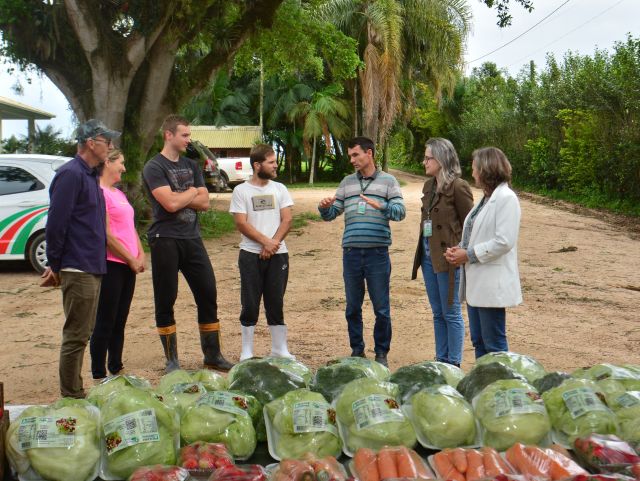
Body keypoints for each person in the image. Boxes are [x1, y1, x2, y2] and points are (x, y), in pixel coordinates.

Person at [142, 115, 233, 373]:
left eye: (189, 135)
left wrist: (185, 195)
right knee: (166, 298)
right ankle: (172, 360)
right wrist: (193, 192)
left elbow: (204, 203)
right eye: (184, 135)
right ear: (168, 135)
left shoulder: (192, 165)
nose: (188, 140)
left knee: (208, 292)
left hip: (192, 238)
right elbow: (169, 205)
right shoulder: (154, 167)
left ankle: (212, 355)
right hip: (164, 239)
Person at [41, 119, 120, 398]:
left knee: (83, 332)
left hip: (92, 265)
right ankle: (72, 396)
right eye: (106, 141)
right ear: (91, 143)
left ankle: (75, 391)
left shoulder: (90, 175)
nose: (111, 146)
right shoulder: (71, 174)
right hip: (78, 266)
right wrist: (55, 263)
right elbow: (56, 223)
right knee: (76, 335)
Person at [318, 136, 406, 367]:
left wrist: (383, 206)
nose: (352, 160)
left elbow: (400, 212)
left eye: (355, 155)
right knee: (352, 307)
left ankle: (381, 354)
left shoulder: (388, 181)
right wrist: (324, 207)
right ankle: (357, 351)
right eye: (350, 156)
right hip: (351, 253)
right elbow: (332, 214)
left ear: (369, 153)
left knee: (382, 308)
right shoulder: (347, 182)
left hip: (377, 253)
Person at [445, 147, 522, 358]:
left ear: (486, 169)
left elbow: (504, 241)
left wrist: (467, 254)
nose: (472, 173)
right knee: (479, 341)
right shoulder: (485, 199)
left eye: (475, 168)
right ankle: (482, 385)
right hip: (477, 283)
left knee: (494, 344)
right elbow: (475, 233)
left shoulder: (506, 198)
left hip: (491, 283)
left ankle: (498, 388)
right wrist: (460, 249)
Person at [411, 138, 473, 368]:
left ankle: (453, 364)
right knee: (438, 312)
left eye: (428, 158)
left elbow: (470, 224)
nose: (424, 161)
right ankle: (441, 360)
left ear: (442, 159)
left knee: (452, 312)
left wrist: (462, 251)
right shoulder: (428, 186)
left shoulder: (458, 187)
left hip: (448, 259)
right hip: (428, 257)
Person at [229, 144, 294, 360]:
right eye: (271, 162)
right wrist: (265, 242)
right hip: (250, 254)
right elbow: (241, 223)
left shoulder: (280, 189)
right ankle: (247, 350)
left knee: (275, 300)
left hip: (278, 254)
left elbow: (287, 219)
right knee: (250, 301)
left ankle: (279, 348)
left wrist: (273, 243)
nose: (276, 165)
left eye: (275, 161)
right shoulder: (241, 191)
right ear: (257, 165)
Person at [90, 149, 145, 381]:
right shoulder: (98, 193)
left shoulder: (119, 194)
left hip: (128, 265)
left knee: (120, 318)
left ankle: (116, 366)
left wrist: (140, 253)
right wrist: (130, 258)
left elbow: (130, 227)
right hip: (112, 264)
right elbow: (107, 234)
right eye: (121, 163)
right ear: (108, 163)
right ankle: (98, 373)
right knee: (106, 318)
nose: (124, 168)